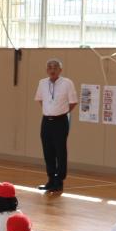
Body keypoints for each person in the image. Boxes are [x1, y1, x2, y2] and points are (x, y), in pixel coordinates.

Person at [34, 58, 78, 193]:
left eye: (55, 67)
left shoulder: (67, 83)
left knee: (60, 152)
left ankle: (59, 181)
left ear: (60, 70)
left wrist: (61, 112)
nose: (52, 70)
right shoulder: (42, 83)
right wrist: (50, 111)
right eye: (49, 67)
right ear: (46, 70)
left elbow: (73, 102)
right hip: (46, 121)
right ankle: (50, 180)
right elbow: (40, 99)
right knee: (48, 151)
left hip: (60, 121)